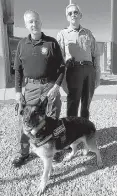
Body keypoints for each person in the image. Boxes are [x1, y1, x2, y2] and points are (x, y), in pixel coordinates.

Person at [13, 10, 65, 167]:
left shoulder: (52, 43)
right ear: (26, 25)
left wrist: (57, 86)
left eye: (36, 21)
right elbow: (18, 71)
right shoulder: (22, 44)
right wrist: (17, 92)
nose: (33, 24)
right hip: (31, 88)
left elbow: (62, 68)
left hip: (50, 86)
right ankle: (24, 152)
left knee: (53, 119)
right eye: (30, 22)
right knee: (26, 120)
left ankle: (55, 149)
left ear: (41, 22)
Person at [57, 3, 101, 119]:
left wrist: (97, 76)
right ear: (67, 17)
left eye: (75, 12)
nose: (73, 15)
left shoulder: (88, 33)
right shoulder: (62, 34)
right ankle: (72, 132)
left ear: (80, 15)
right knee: (73, 103)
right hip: (73, 71)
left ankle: (84, 130)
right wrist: (62, 81)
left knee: (86, 103)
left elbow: (96, 55)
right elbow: (59, 59)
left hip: (89, 70)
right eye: (70, 13)